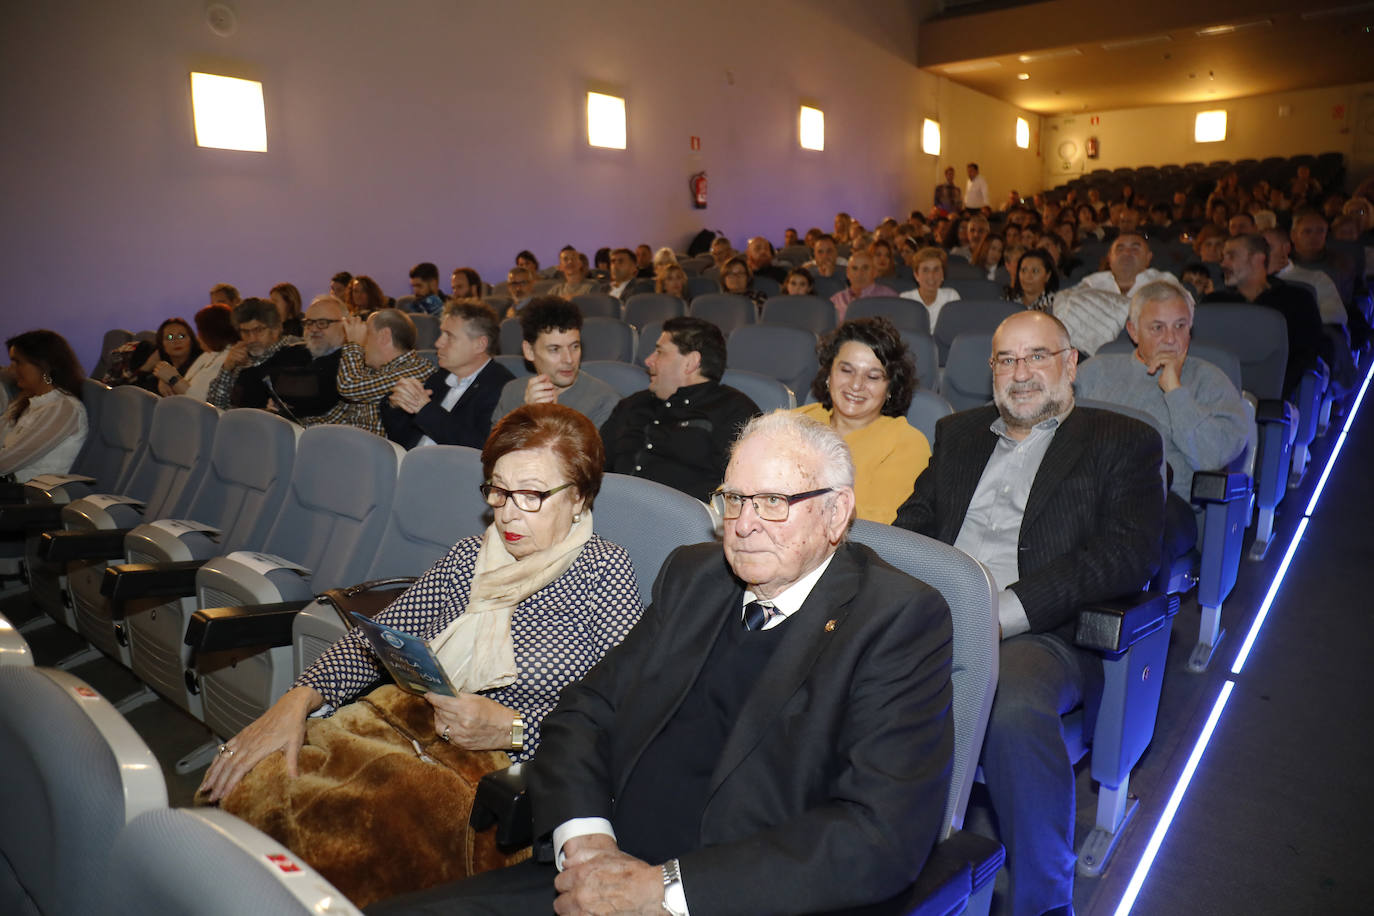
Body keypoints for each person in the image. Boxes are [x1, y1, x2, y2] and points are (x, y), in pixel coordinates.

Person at [371, 410, 954, 916]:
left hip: (730, 900)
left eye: (773, 502)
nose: (744, 524)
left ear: (835, 514)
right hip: (593, 877)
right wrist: (589, 842)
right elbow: (584, 712)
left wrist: (662, 892)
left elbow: (877, 835)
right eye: (733, 500)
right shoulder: (696, 577)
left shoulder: (897, 620)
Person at [894, 310, 1164, 916]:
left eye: (1037, 356)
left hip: (1041, 633)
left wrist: (1003, 613)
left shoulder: (1120, 441)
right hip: (935, 614)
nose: (1021, 374)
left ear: (1070, 364)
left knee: (1009, 705)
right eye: (1006, 360)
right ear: (990, 370)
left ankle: (1045, 901)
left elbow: (1124, 556)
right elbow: (913, 524)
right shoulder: (958, 434)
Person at [1076, 280, 1249, 526]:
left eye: (1180, 326)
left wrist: (1175, 390)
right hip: (1089, 494)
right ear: (1133, 332)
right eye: (1157, 328)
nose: (1170, 339)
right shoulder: (1095, 371)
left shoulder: (1210, 380)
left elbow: (1214, 456)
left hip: (1166, 505)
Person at [600, 317, 759, 502]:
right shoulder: (632, 404)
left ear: (691, 362)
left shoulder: (734, 412)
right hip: (610, 511)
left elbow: (742, 488)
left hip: (682, 523)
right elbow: (593, 465)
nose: (648, 360)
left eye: (659, 352)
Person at [794, 318, 930, 524]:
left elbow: (880, 523)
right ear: (829, 374)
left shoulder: (906, 443)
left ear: (890, 388)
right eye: (846, 371)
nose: (856, 385)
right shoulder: (793, 423)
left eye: (873, 377)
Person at [1205, 233, 1328, 399]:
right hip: (1216, 394)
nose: (1223, 264)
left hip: (1274, 398)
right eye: (1223, 257)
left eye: (1231, 256)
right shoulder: (1214, 303)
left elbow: (1307, 354)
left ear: (1258, 259)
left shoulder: (1297, 300)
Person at [383, 299, 515, 449]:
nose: (438, 343)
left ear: (480, 345)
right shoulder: (440, 378)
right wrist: (396, 405)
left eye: (449, 336)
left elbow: (479, 448)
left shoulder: (502, 388)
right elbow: (404, 438)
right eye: (441, 334)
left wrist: (425, 409)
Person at [302, 308, 433, 436]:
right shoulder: (369, 371)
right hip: (351, 446)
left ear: (384, 336)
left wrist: (354, 343)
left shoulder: (416, 370)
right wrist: (300, 427)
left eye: (367, 333)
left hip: (377, 453)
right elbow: (338, 419)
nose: (363, 341)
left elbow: (349, 386)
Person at [493, 297, 620, 428]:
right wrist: (528, 414)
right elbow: (496, 448)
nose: (569, 359)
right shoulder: (511, 392)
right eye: (555, 349)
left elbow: (580, 448)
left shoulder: (605, 401)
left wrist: (539, 416)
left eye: (574, 346)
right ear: (529, 351)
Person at [1, 330, 87, 482]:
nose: (11, 369)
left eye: (18, 362)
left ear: (44, 365)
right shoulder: (28, 401)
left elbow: (9, 460)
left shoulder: (63, 408)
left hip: (33, 498)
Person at [206, 297, 309, 410]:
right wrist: (227, 368)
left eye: (258, 330)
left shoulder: (297, 350)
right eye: (245, 332)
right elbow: (215, 407)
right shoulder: (240, 358)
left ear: (276, 328)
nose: (251, 339)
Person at [264, 295, 348, 422]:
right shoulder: (290, 352)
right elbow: (257, 387)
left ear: (345, 324)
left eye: (322, 323)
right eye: (309, 323)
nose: (313, 329)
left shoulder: (352, 361)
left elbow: (317, 397)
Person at [183, 304, 239, 402]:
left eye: (199, 331)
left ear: (210, 333)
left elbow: (202, 399)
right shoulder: (207, 355)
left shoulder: (228, 358)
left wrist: (172, 379)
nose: (198, 336)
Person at [900, 246, 962, 331]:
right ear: (916, 275)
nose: (931, 276)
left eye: (936, 270)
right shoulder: (905, 299)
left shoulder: (951, 296)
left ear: (943, 274)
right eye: (925, 270)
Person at [830, 248, 897, 322]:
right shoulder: (836, 301)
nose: (860, 273)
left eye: (865, 268)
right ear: (848, 273)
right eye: (855, 268)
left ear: (874, 272)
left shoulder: (889, 297)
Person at [147, 316, 208, 397]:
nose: (176, 341)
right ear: (161, 344)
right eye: (170, 337)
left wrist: (169, 379)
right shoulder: (160, 370)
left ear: (191, 340)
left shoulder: (203, 364)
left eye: (181, 336)